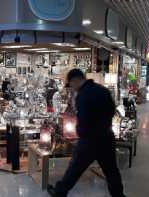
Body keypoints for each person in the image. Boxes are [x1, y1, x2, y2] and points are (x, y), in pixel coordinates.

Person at [48, 69, 126, 197]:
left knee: (74, 168)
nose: (71, 87)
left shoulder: (83, 95)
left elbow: (83, 120)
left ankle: (60, 192)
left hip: (89, 140)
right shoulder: (102, 90)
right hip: (106, 136)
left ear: (75, 80)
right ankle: (119, 195)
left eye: (71, 84)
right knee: (111, 170)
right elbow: (112, 110)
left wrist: (79, 132)